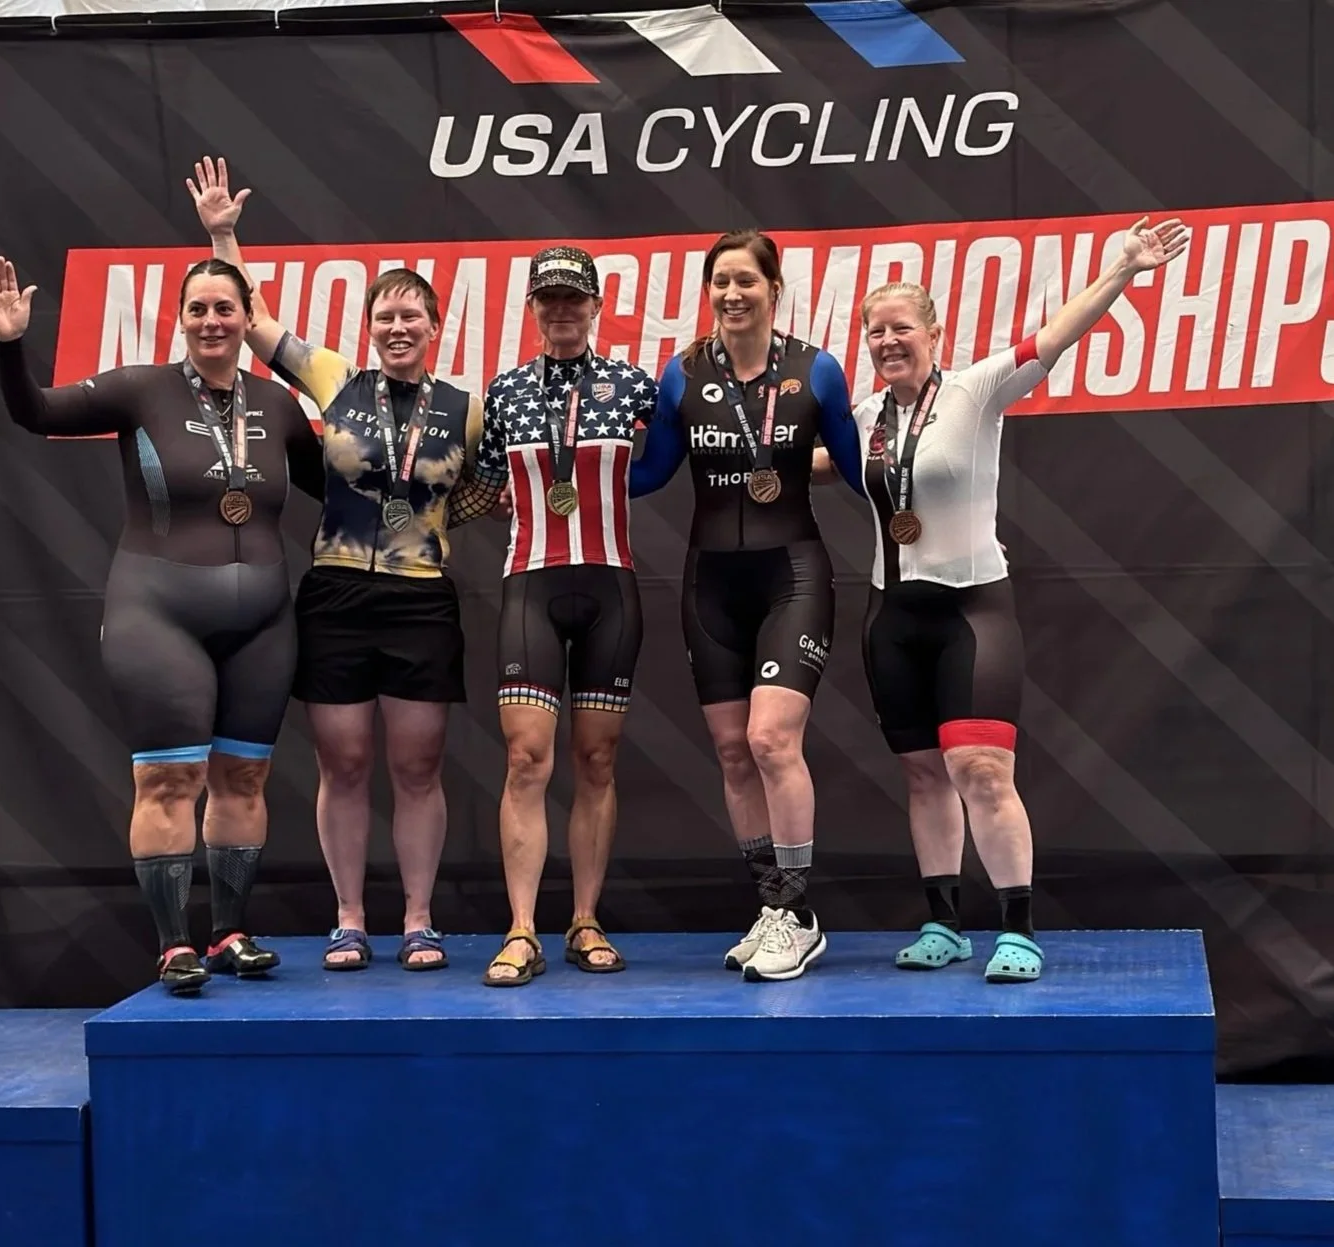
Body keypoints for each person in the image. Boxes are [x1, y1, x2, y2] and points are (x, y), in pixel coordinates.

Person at [826, 215, 1190, 983]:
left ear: (933, 333)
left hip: (970, 610)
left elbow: (1053, 337)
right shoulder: (862, 420)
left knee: (982, 768)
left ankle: (1016, 926)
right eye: (875, 331)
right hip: (890, 616)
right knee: (923, 774)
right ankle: (941, 921)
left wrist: (1121, 268)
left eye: (902, 328)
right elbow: (803, 460)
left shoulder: (975, 388)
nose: (888, 341)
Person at [0, 253, 324, 995]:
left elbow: (343, 488)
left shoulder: (280, 407)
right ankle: (174, 944)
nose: (211, 321)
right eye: (197, 308)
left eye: (224, 309)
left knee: (245, 775)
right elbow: (33, 412)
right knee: (170, 776)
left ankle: (229, 930)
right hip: (158, 612)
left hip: (264, 619)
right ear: (180, 316)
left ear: (245, 317)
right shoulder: (141, 390)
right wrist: (11, 344)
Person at [189, 157, 485, 973]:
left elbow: (487, 489)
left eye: (412, 317)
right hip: (336, 592)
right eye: (385, 316)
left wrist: (436, 524)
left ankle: (419, 918)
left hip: (422, 599)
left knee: (417, 765)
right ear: (369, 327)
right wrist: (223, 234)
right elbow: (254, 323)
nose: (398, 328)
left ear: (435, 329)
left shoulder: (465, 409)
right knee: (344, 761)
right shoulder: (333, 380)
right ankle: (350, 916)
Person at [628, 229, 865, 983]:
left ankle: (797, 913)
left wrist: (925, 486)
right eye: (720, 282)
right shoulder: (681, 374)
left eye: (746, 282)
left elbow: (862, 470)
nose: (732, 295)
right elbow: (649, 473)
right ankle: (770, 905)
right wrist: (558, 471)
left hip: (790, 575)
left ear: (773, 288)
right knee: (733, 753)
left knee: (770, 740)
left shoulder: (814, 370)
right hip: (710, 584)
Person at [458, 245, 659, 987]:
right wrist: (406, 521)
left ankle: (583, 917)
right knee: (525, 758)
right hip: (529, 587)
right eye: (549, 299)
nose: (562, 310)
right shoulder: (504, 391)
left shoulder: (637, 386)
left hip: (611, 587)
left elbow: (680, 453)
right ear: (533, 308)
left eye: (574, 298)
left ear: (595, 305)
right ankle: (519, 929)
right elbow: (480, 489)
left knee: (596, 760)